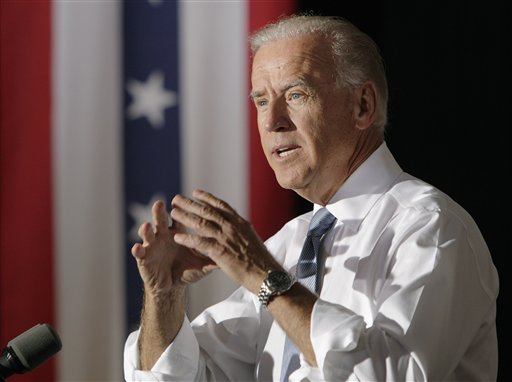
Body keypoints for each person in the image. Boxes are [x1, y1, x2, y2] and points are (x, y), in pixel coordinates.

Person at [123, 14, 499, 381]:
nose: (273, 123)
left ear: (362, 106)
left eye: (296, 94)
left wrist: (262, 276)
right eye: (262, 101)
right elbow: (184, 376)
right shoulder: (291, 243)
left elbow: (390, 374)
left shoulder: (430, 226)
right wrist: (165, 296)